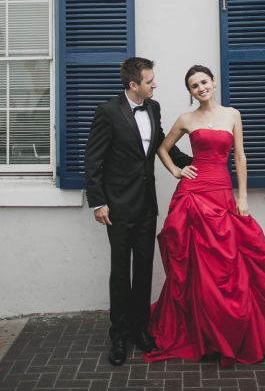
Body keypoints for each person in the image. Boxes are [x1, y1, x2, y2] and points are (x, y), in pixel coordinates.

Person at [143, 65, 265, 366]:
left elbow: (240, 156)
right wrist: (178, 170)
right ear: (190, 91)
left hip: (222, 193)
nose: (200, 88)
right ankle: (202, 334)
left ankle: (227, 333)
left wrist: (242, 197)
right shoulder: (187, 119)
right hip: (193, 195)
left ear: (213, 82)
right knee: (196, 267)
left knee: (227, 265)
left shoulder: (233, 114)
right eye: (194, 86)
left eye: (204, 82)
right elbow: (162, 149)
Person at [85, 57, 193, 366]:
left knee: (144, 270)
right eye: (150, 81)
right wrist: (98, 202)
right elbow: (93, 160)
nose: (155, 84)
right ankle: (118, 336)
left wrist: (192, 161)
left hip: (147, 205)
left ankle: (140, 331)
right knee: (120, 273)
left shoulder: (153, 108)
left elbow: (161, 143)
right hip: (117, 207)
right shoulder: (107, 112)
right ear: (134, 85)